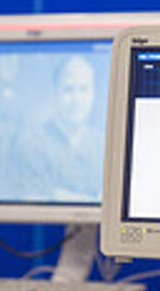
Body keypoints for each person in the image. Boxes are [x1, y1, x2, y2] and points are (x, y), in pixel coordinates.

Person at [13, 55, 103, 202]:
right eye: (68, 89)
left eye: (84, 89)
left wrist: (57, 195)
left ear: (93, 94)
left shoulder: (103, 143)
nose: (76, 100)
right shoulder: (32, 143)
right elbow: (35, 201)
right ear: (54, 92)